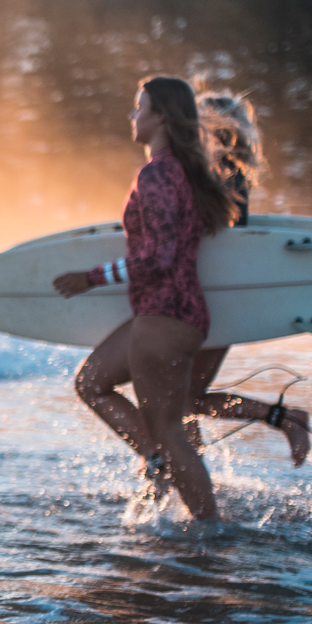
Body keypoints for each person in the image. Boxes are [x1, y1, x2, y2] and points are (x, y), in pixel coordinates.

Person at [53, 76, 235, 521]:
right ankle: (157, 461)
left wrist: (91, 278)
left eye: (139, 108)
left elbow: (159, 256)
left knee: (172, 431)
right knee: (91, 383)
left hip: (165, 316)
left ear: (160, 117)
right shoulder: (182, 172)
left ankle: (210, 532)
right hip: (170, 314)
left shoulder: (157, 173)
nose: (132, 116)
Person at [185, 93, 311, 464]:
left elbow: (223, 244)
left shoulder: (222, 177)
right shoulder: (218, 175)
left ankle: (287, 419)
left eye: (195, 124)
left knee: (181, 399)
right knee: (181, 400)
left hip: (213, 300)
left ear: (217, 130)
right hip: (204, 296)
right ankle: (182, 475)